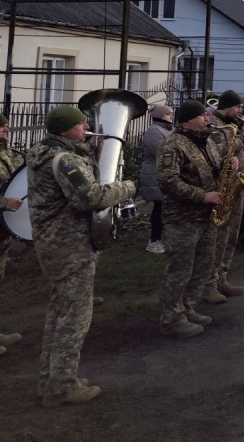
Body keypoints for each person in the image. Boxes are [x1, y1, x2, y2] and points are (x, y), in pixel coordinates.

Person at [27, 105, 136, 405]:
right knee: (74, 317)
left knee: (58, 312)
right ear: (66, 130)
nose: (87, 126)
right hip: (70, 246)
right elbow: (89, 198)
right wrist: (126, 186)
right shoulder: (65, 160)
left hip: (53, 243)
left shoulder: (43, 152)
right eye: (81, 124)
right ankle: (62, 387)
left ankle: (51, 379)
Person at [157, 100, 224, 339]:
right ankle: (172, 318)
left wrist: (230, 163)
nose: (207, 118)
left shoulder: (206, 140)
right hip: (183, 218)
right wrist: (202, 196)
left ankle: (188, 308)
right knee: (180, 270)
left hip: (207, 216)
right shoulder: (173, 145)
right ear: (187, 120)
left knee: (202, 265)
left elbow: (215, 168)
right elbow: (168, 181)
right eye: (202, 115)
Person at [203, 90, 244, 304]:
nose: (240, 111)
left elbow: (243, 153)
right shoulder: (215, 125)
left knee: (232, 235)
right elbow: (218, 152)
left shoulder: (233, 124)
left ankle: (222, 276)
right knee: (219, 237)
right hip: (222, 189)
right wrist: (243, 136)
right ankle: (209, 283)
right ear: (228, 106)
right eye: (238, 107)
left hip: (237, 186)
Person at [0, 113, 26, 358]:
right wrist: (3, 202)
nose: (6, 129)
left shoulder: (12, 155)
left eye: (7, 125)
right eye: (1, 126)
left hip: (3, 232)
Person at [140, 104, 173, 254]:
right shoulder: (154, 131)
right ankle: (154, 241)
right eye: (168, 113)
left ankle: (161, 238)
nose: (171, 115)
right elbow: (162, 152)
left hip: (162, 174)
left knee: (165, 209)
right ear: (160, 115)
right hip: (155, 174)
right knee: (159, 209)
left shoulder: (166, 130)